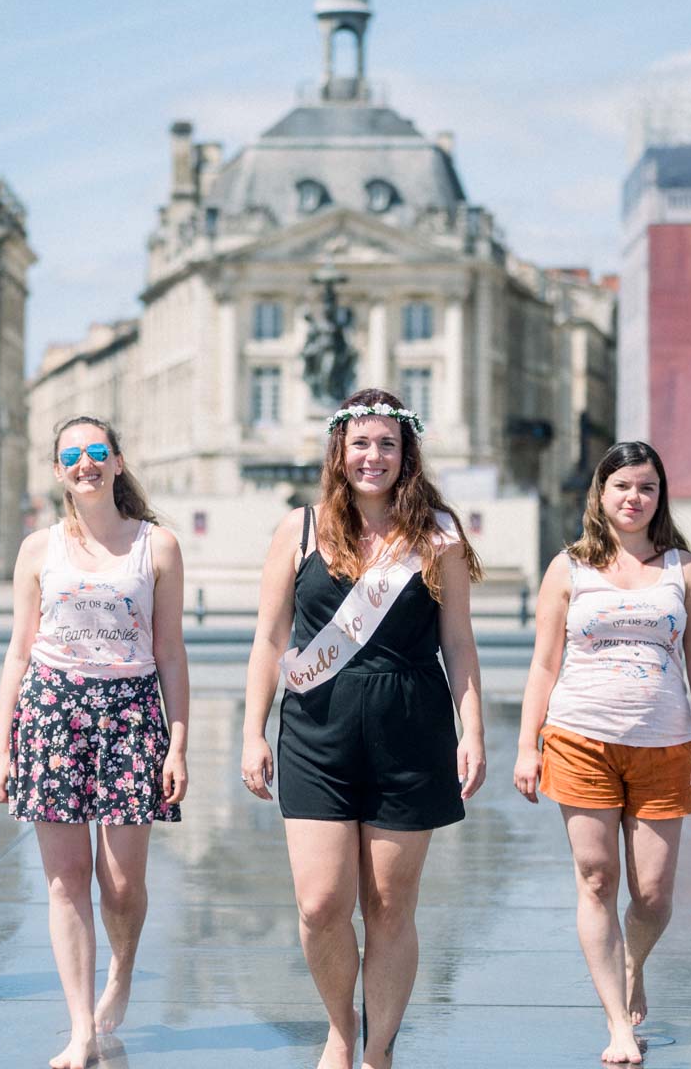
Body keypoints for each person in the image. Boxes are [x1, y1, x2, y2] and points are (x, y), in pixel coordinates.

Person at [241, 387, 487, 1069]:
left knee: (388, 906)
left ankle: (376, 1049)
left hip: (410, 727)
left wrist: (474, 730)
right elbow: (268, 638)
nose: (373, 456)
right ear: (338, 453)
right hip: (315, 731)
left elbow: (459, 643)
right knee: (321, 904)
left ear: (406, 453)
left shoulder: (438, 532)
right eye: (361, 444)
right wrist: (252, 731)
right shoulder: (299, 530)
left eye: (387, 443)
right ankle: (340, 1028)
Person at [513, 441, 691, 1065]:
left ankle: (631, 962)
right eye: (622, 487)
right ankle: (617, 1023)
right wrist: (528, 745)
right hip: (580, 740)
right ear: (600, 494)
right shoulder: (570, 567)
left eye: (647, 488)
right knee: (597, 878)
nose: (634, 498)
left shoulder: (681, 569)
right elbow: (544, 663)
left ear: (660, 497)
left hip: (664, 746)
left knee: (654, 894)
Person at [0, 416, 189, 1069]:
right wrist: (2, 746)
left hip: (131, 711)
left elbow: (170, 652)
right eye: (72, 454)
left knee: (123, 883)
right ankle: (79, 1026)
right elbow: (18, 654)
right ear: (57, 471)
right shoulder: (36, 548)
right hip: (51, 709)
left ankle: (121, 972)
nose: (86, 463)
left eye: (97, 452)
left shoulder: (156, 546)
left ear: (118, 463)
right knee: (65, 878)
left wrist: (178, 741)